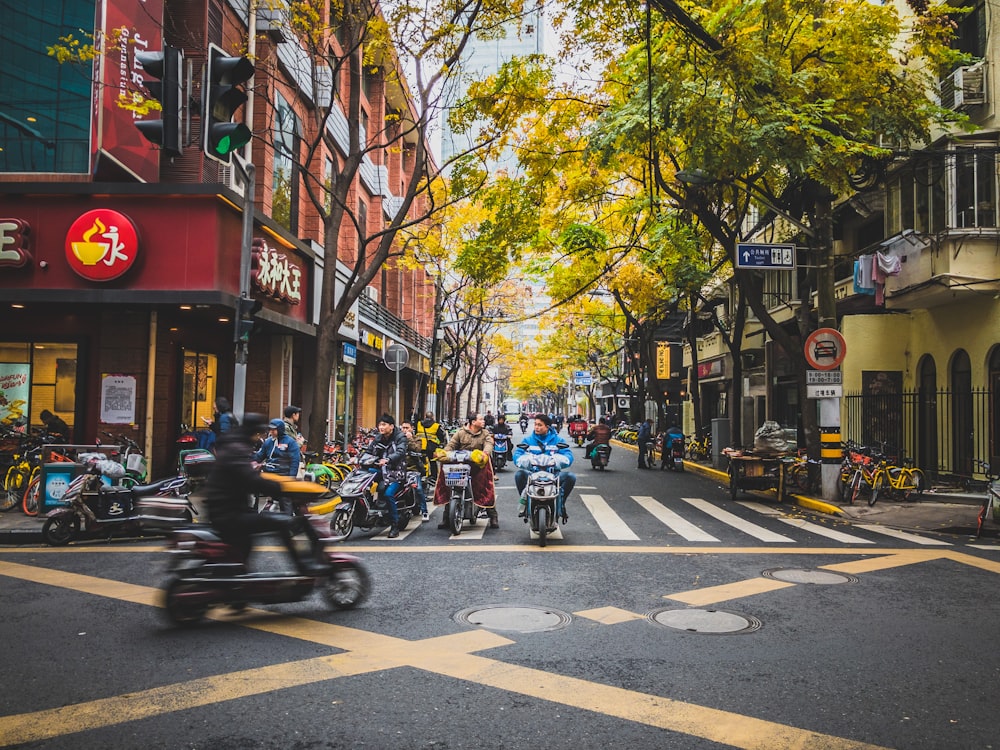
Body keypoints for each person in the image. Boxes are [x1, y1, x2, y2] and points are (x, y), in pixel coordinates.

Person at [202, 413, 328, 575]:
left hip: (231, 507)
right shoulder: (240, 448)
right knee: (282, 522)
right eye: (265, 431)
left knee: (278, 518)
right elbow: (252, 477)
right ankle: (303, 566)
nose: (267, 434)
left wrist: (287, 481)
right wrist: (278, 488)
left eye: (273, 430)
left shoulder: (238, 444)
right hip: (229, 512)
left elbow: (292, 461)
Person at [433, 412, 498, 529]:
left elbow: (489, 444)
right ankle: (446, 517)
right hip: (460, 464)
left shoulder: (485, 433)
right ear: (473, 422)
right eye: (481, 419)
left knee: (485, 487)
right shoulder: (460, 432)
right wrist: (443, 453)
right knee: (449, 484)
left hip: (477, 465)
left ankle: (492, 515)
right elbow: (451, 445)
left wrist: (485, 453)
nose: (483, 421)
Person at [513, 414, 575, 521]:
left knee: (571, 477)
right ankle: (527, 501)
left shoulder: (558, 440)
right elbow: (518, 454)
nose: (537, 427)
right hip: (533, 475)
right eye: (536, 424)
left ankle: (561, 503)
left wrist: (559, 461)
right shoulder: (527, 440)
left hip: (554, 475)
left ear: (547, 427)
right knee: (519, 475)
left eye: (540, 425)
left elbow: (568, 455)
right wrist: (524, 460)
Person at [366, 414, 409, 538]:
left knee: (388, 494)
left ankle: (394, 525)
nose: (381, 427)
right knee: (364, 477)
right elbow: (369, 451)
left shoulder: (400, 437)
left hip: (396, 472)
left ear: (391, 426)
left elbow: (400, 452)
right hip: (381, 470)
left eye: (384, 424)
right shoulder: (378, 437)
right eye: (380, 424)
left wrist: (388, 459)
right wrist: (358, 459)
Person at [254, 419, 302, 510]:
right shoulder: (268, 442)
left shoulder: (290, 442)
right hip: (269, 475)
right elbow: (259, 456)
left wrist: (291, 477)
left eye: (274, 429)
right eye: (270, 429)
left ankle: (288, 519)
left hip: (284, 476)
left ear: (280, 429)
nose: (271, 431)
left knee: (285, 500)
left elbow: (294, 460)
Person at [400, 420, 430, 521]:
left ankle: (424, 511)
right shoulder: (398, 438)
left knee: (419, 489)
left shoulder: (417, 439)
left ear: (411, 429)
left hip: (412, 469)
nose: (404, 430)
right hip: (399, 469)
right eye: (403, 428)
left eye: (407, 428)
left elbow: (417, 449)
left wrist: (410, 439)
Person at [416, 411, 447, 480]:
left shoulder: (419, 424)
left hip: (420, 446)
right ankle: (433, 476)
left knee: (420, 461)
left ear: (425, 417)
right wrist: (441, 444)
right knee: (432, 461)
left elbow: (415, 433)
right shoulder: (436, 425)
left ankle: (422, 474)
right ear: (433, 417)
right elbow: (441, 436)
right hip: (431, 446)